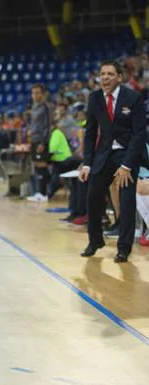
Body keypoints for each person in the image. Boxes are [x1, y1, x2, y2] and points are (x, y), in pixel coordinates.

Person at [79, 60, 147, 263]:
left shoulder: (133, 98)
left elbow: (139, 135)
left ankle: (124, 248)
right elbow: (90, 133)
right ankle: (95, 240)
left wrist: (127, 165)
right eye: (102, 74)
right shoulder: (95, 98)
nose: (105, 78)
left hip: (128, 154)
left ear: (119, 77)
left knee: (126, 200)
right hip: (104, 154)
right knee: (93, 195)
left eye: (110, 74)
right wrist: (87, 163)